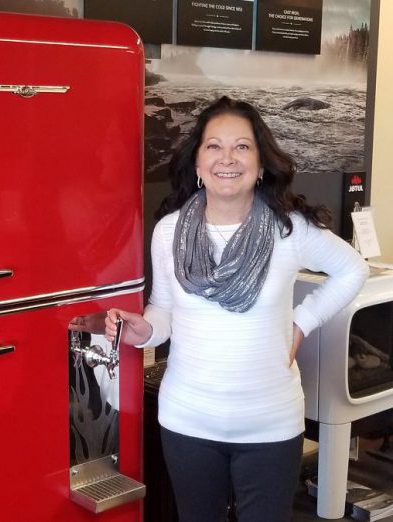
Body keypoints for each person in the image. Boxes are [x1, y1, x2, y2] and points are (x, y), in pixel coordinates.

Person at [105, 96, 369, 522]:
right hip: (188, 420)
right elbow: (163, 310)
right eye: (214, 146)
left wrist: (302, 323)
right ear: (197, 163)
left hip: (270, 422)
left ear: (261, 164)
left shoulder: (290, 229)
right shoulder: (169, 230)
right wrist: (143, 330)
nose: (227, 158)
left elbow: (352, 270)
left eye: (242, 146)